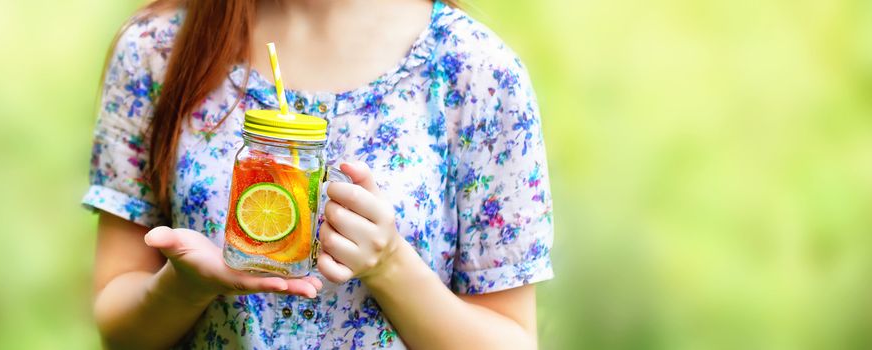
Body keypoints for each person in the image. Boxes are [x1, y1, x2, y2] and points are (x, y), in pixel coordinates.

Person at [85, 0, 554, 348]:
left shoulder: (477, 72)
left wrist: (390, 265)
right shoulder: (157, 51)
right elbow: (118, 327)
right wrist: (185, 286)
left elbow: (510, 339)